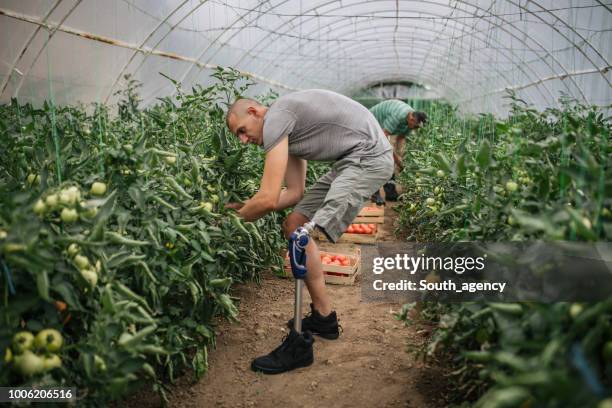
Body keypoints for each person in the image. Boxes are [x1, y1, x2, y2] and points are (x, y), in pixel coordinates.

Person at [225, 89, 394, 374]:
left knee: (303, 235)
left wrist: (230, 222)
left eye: (242, 130)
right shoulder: (286, 127)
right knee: (294, 225)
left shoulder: (277, 116)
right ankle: (324, 318)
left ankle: (299, 347)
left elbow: (267, 199)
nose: (243, 140)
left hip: (368, 158)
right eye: (237, 136)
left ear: (255, 112)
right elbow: (293, 193)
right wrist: (244, 206)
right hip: (351, 161)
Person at [369, 100, 428, 204]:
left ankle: (391, 193)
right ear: (411, 119)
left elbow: (401, 138)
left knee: (390, 160)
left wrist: (401, 156)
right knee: (379, 157)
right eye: (416, 126)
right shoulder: (398, 115)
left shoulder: (410, 122)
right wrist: (396, 159)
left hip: (383, 130)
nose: (416, 129)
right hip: (372, 123)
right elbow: (383, 139)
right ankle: (375, 193)